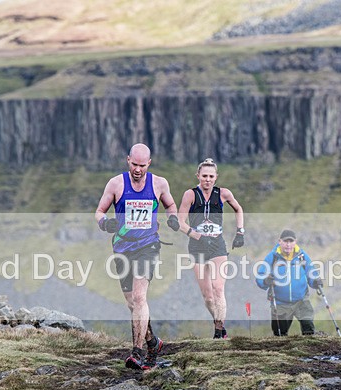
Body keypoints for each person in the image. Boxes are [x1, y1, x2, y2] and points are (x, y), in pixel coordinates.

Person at [95, 143, 180, 370]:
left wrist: (172, 217)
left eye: (142, 165)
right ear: (128, 160)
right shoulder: (116, 183)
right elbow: (99, 211)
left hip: (148, 246)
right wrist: (105, 223)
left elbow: (170, 204)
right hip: (122, 248)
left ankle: (137, 352)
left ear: (149, 163)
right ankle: (153, 342)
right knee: (132, 303)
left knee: (140, 298)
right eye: (134, 164)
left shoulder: (159, 183)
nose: (138, 169)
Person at [176, 158, 244, 339]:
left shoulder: (223, 193)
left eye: (211, 176)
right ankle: (218, 323)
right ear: (198, 176)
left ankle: (218, 331)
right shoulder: (190, 195)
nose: (207, 179)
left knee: (218, 288)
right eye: (204, 176)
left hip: (217, 245)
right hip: (197, 245)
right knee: (207, 296)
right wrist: (196, 235)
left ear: (216, 177)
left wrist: (240, 232)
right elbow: (179, 222)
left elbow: (239, 209)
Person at [255, 229, 322, 336]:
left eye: (291, 241)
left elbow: (311, 271)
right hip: (280, 303)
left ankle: (310, 350)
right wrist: (266, 280)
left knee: (308, 326)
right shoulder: (273, 257)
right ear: (279, 241)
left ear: (295, 242)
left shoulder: (302, 256)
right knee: (280, 334)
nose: (288, 244)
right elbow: (260, 276)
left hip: (301, 300)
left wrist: (316, 282)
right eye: (285, 241)